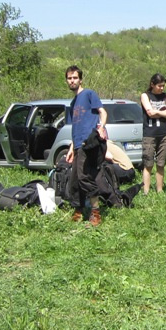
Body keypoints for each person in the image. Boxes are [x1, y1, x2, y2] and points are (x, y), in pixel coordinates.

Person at [64, 65, 108, 226]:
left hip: (88, 142)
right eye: (69, 78)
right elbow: (75, 127)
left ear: (80, 79)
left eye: (75, 78)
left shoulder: (89, 94)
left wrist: (101, 127)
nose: (72, 81)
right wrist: (71, 148)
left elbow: (103, 112)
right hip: (77, 144)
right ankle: (78, 210)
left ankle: (96, 212)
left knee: (84, 177)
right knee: (74, 179)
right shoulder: (72, 103)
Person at [139, 73, 166, 194]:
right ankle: (146, 191)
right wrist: (162, 111)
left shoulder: (165, 96)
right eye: (159, 86)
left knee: (161, 163)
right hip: (149, 134)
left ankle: (160, 190)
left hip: (164, 134)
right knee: (148, 164)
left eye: (163, 86)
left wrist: (157, 111)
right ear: (152, 84)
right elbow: (150, 113)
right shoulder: (145, 95)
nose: (162, 88)